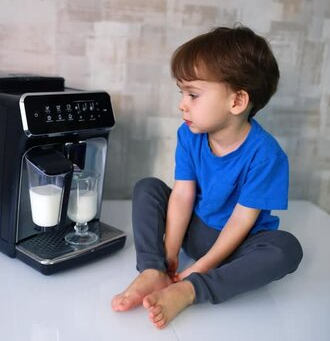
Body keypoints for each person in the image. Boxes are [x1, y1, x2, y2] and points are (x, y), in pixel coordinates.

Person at [111, 25, 303, 330]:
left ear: (237, 102)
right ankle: (152, 270)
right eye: (182, 93)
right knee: (147, 188)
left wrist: (198, 271)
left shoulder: (266, 155)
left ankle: (190, 292)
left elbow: (242, 221)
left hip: (239, 243)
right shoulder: (189, 134)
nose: (182, 104)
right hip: (194, 228)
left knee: (286, 249)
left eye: (193, 94)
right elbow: (183, 195)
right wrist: (171, 255)